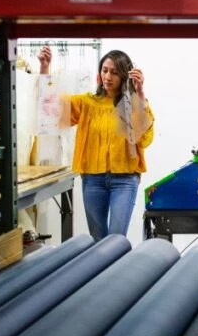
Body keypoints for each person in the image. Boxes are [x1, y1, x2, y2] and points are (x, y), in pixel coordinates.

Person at [39, 46, 154, 240]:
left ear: (124, 76)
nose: (108, 77)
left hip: (125, 179)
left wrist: (140, 93)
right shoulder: (86, 103)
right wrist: (45, 70)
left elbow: (144, 138)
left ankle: (117, 271)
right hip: (93, 179)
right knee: (98, 239)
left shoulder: (129, 104)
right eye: (105, 70)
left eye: (114, 72)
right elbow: (52, 107)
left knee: (116, 239)